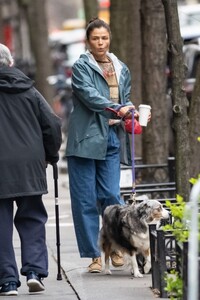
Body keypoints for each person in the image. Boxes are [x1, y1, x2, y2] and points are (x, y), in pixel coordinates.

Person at [66, 18, 143, 273]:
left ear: (109, 39)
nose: (100, 42)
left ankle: (116, 247)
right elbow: (90, 96)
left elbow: (125, 98)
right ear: (88, 41)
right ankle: (94, 256)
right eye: (95, 38)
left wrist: (131, 111)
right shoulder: (80, 67)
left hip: (112, 136)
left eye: (104, 38)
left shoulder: (121, 68)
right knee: (86, 200)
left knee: (111, 196)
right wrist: (118, 108)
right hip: (86, 139)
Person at [0, 43, 62, 295]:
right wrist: (50, 155)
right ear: (10, 63)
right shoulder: (30, 91)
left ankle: (7, 281)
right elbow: (52, 125)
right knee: (33, 217)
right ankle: (35, 272)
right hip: (30, 164)